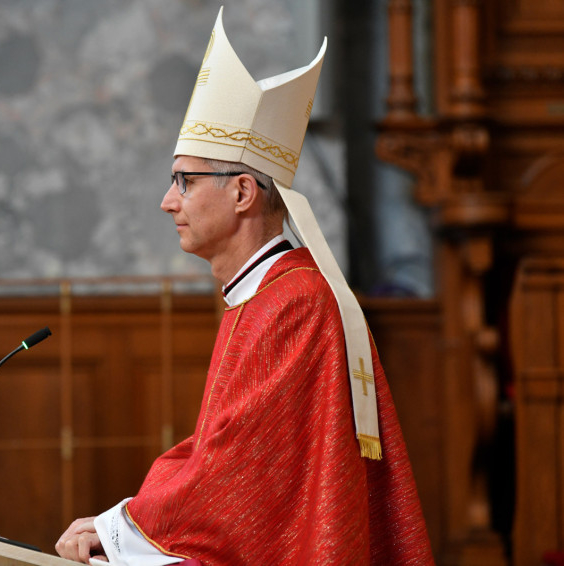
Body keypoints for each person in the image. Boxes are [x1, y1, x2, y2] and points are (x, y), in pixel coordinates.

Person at [56, 8, 434, 565]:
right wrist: (124, 522)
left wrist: (121, 528)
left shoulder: (296, 303)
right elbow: (220, 452)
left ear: (241, 193)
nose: (168, 202)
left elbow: (241, 477)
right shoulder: (260, 295)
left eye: (184, 181)